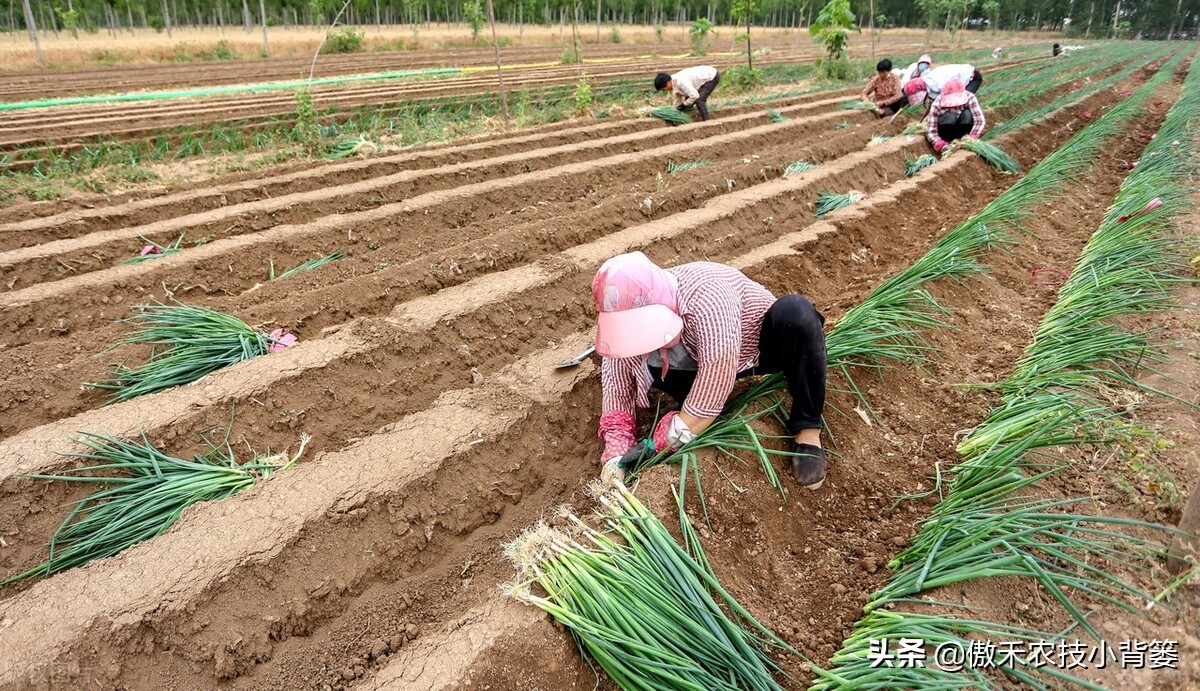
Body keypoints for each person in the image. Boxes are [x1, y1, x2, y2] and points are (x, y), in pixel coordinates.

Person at [592, 251, 829, 489]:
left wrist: (666, 439)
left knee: (795, 313)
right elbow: (617, 386)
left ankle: (807, 430)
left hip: (754, 348)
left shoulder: (707, 296)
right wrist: (616, 455)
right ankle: (696, 413)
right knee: (635, 358)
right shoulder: (623, 332)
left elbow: (718, 372)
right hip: (696, 363)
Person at [926, 78, 985, 153]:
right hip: (945, 131)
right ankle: (948, 140)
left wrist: (972, 136)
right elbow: (931, 130)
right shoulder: (937, 103)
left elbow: (980, 121)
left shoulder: (970, 97)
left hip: (963, 130)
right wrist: (939, 143)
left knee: (967, 113)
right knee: (950, 115)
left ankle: (963, 138)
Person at [654, 66, 721, 122]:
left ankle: (707, 121)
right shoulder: (674, 85)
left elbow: (695, 95)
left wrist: (685, 104)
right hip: (701, 79)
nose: (665, 90)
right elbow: (677, 101)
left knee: (699, 100)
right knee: (689, 100)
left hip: (711, 76)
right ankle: (692, 118)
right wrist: (676, 110)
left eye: (663, 89)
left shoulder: (681, 81)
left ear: (668, 83)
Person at [903, 63, 983, 106]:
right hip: (958, 77)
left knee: (962, 101)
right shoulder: (928, 81)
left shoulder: (937, 82)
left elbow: (951, 95)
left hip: (972, 77)